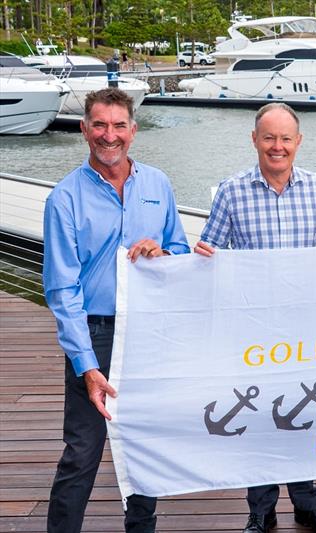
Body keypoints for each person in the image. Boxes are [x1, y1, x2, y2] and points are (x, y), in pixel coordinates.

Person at [193, 102, 316, 533]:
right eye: (269, 138)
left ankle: (307, 504)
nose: (277, 147)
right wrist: (202, 254)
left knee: (302, 413)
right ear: (255, 140)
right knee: (259, 417)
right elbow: (210, 252)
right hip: (253, 328)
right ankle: (260, 509)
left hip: (306, 327)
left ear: (298, 142)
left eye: (285, 139)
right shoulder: (231, 191)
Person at [43, 88, 190, 533]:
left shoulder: (157, 184)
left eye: (119, 125)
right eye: (100, 126)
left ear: (133, 130)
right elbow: (62, 290)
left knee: (142, 446)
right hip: (95, 333)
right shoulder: (64, 199)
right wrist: (86, 366)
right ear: (85, 130)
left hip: (147, 332)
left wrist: (162, 252)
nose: (110, 136)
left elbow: (180, 250)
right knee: (82, 451)